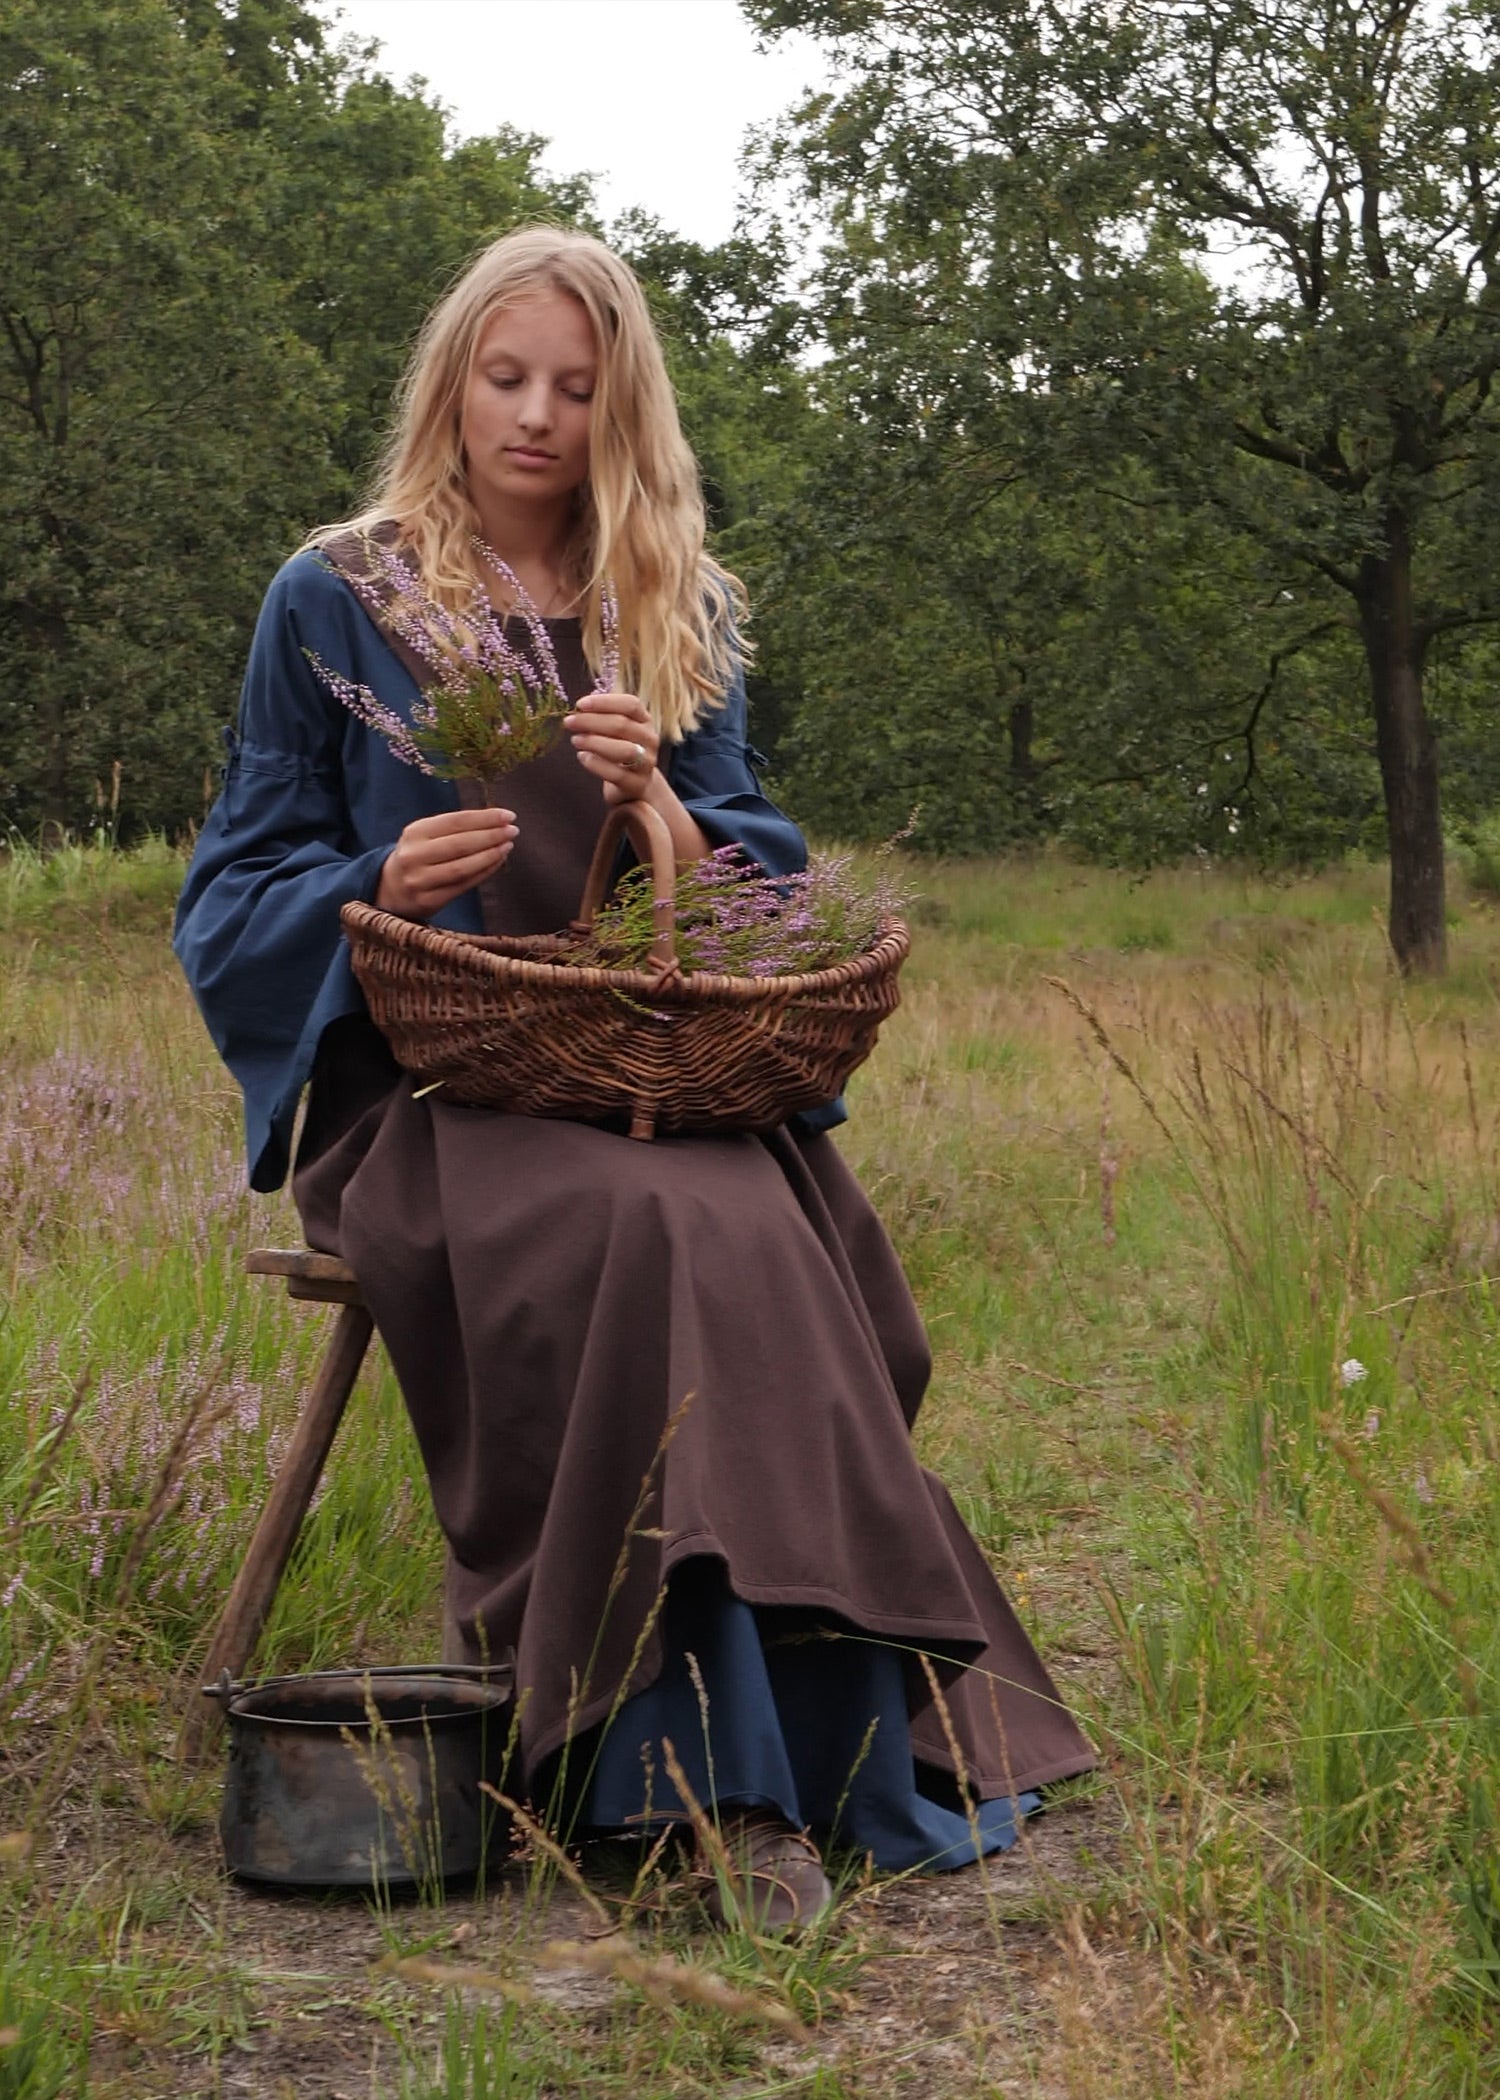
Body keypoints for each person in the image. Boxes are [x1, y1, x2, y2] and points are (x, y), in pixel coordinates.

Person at [175, 226, 1094, 1931]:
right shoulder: (337, 597)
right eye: (504, 377)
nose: (534, 416)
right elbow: (232, 887)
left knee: (739, 1229)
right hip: (432, 1099)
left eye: (577, 390)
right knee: (667, 1235)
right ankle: (685, 1783)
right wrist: (369, 889)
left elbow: (758, 882)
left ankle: (792, 1759)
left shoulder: (664, 607)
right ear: (450, 381)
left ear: (625, 411)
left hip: (646, 1075)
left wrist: (661, 818)